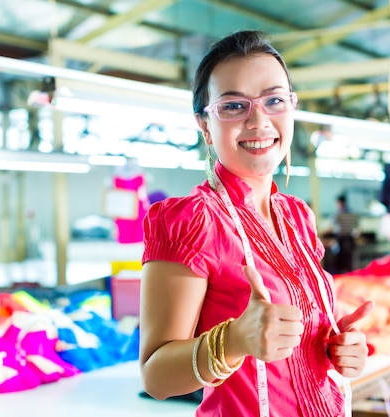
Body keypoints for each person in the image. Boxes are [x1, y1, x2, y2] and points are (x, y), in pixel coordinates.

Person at [139, 30, 373, 416]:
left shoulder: (297, 216)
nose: (259, 120)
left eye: (275, 100)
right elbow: (155, 377)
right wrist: (232, 341)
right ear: (204, 125)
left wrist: (342, 350)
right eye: (233, 106)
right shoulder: (190, 220)